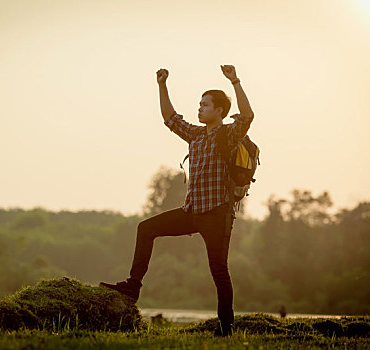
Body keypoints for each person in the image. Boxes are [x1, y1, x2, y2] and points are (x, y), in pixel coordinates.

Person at [100, 65, 255, 336]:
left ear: (219, 110)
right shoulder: (195, 135)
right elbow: (170, 118)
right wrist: (162, 85)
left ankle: (225, 327)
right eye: (200, 104)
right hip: (191, 212)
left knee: (219, 270)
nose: (200, 108)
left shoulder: (228, 135)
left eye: (205, 105)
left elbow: (247, 116)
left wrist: (235, 81)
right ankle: (133, 286)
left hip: (217, 214)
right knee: (145, 229)